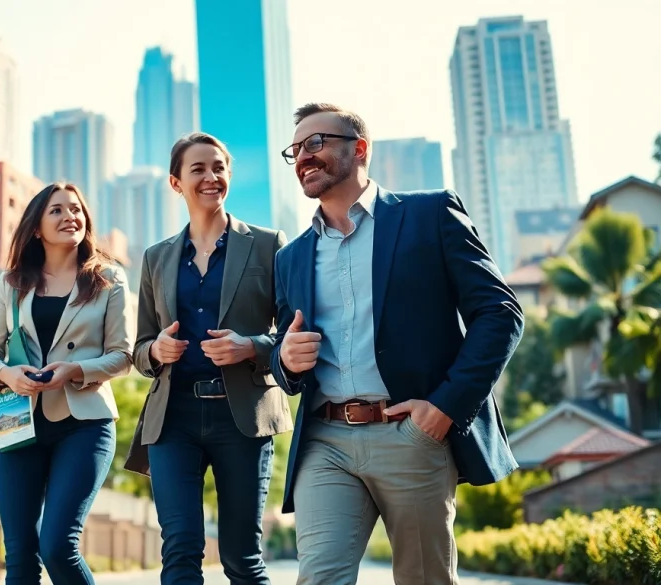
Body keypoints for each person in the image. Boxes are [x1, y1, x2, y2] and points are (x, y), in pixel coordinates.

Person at [270, 103, 524, 585]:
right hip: (326, 441)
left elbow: (500, 313)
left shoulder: (429, 214)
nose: (303, 156)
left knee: (424, 579)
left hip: (410, 433)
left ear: (359, 148)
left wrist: (444, 408)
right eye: (296, 149)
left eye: (316, 143)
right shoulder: (291, 257)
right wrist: (283, 358)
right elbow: (286, 352)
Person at [124, 132, 292, 585]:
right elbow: (138, 347)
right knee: (179, 552)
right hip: (172, 418)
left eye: (218, 167)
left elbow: (295, 336)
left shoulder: (267, 244)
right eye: (197, 169)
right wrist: (155, 351)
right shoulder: (156, 258)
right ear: (176, 183)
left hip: (243, 417)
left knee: (241, 557)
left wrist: (250, 346)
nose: (210, 177)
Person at [0, 182, 134, 585]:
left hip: (84, 424)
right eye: (57, 210)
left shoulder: (108, 279)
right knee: (20, 557)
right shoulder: (11, 282)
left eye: (76, 209)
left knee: (58, 545)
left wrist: (75, 371)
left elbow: (123, 355)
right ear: (36, 227)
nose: (70, 217)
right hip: (14, 424)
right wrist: (7, 374)